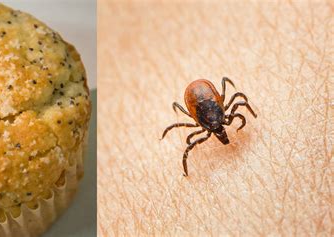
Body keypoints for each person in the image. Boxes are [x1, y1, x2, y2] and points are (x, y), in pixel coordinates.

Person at [97, 1, 332, 235]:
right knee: (198, 138)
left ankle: (194, 162)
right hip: (203, 104)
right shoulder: (215, 120)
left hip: (206, 103)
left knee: (223, 115)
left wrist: (248, 118)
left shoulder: (214, 119)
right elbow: (232, 109)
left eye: (221, 129)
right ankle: (186, 171)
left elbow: (236, 103)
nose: (221, 132)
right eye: (219, 130)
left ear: (221, 103)